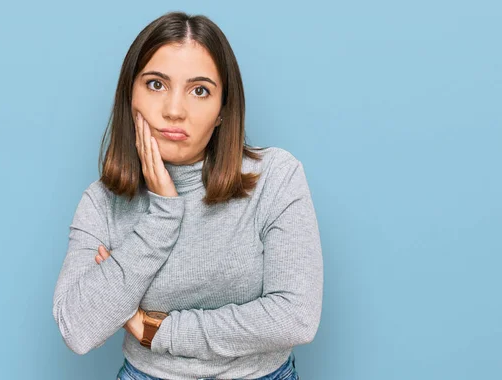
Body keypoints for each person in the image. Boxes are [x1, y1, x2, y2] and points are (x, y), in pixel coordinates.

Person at [52, 11, 323, 380]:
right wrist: (163, 213)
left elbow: (296, 316)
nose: (174, 110)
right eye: (156, 85)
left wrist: (160, 332)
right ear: (129, 95)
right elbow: (77, 328)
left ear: (222, 112)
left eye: (200, 91)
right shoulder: (103, 203)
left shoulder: (276, 178)